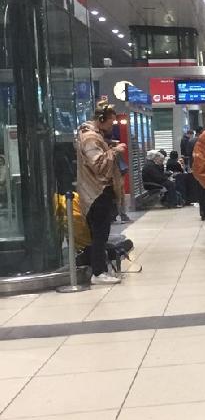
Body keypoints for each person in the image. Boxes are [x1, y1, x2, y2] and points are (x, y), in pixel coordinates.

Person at [75, 102, 126, 285]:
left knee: (100, 234)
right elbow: (97, 164)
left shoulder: (93, 136)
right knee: (100, 234)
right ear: (101, 119)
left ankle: (100, 269)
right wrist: (114, 151)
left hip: (96, 192)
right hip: (97, 192)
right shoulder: (90, 138)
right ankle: (98, 272)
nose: (112, 126)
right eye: (111, 122)